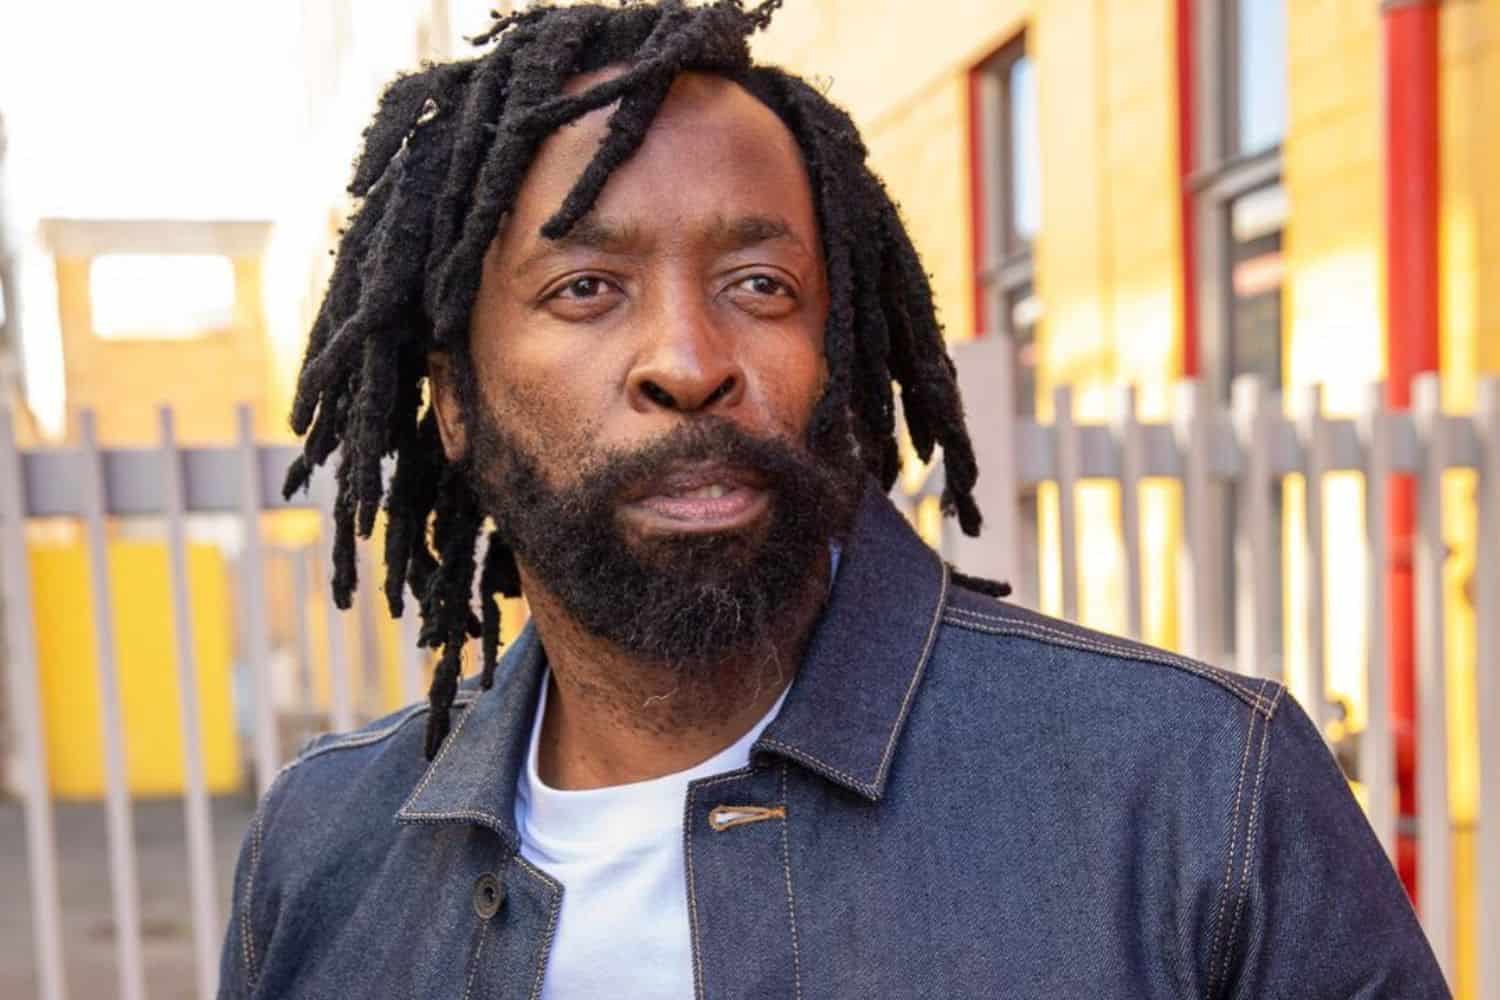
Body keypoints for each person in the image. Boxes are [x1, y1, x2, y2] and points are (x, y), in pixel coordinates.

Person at [217, 2, 1449, 997]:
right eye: (587, 287)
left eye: (760, 283)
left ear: (838, 354)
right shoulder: (324, 850)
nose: (688, 360)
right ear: (455, 401)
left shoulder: (1195, 796)